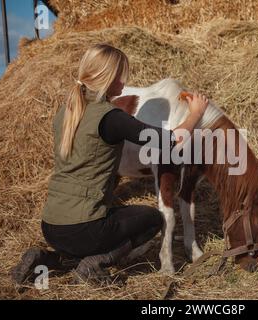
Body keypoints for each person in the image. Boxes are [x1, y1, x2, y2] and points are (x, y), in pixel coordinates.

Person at [11, 44, 209, 284]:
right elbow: (168, 141)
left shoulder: (66, 111)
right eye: (120, 75)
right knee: (152, 219)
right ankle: (98, 262)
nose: (124, 82)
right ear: (105, 76)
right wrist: (195, 114)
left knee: (93, 228)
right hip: (84, 227)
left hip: (52, 226)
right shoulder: (111, 117)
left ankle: (49, 259)